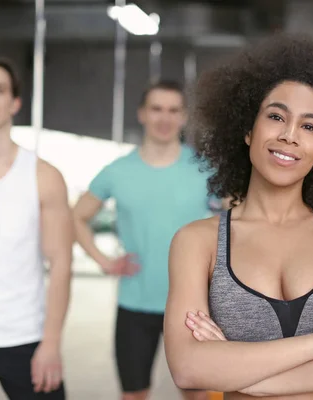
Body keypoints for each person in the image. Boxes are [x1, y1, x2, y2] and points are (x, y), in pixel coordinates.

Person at [163, 34, 313, 400]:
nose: (290, 136)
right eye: (276, 116)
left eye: (308, 126)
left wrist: (234, 370)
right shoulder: (197, 241)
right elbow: (186, 367)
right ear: (248, 130)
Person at [73, 80, 212, 400]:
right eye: (157, 109)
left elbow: (239, 217)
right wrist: (104, 261)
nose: (164, 117)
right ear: (142, 114)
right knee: (134, 394)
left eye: (173, 110)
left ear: (184, 116)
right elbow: (77, 217)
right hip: (135, 303)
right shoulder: (117, 171)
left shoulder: (204, 170)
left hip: (193, 306)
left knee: (197, 394)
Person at [0, 57, 72, 398]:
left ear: (15, 102)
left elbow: (61, 264)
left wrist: (52, 343)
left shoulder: (44, 176)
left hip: (27, 337)